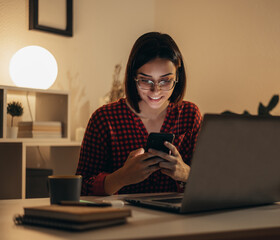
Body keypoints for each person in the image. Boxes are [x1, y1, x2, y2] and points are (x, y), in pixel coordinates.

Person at [76, 32, 202, 195]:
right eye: (145, 80)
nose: (155, 90)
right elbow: (80, 187)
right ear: (133, 77)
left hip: (176, 217)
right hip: (121, 216)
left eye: (165, 80)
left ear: (177, 78)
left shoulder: (189, 114)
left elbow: (211, 180)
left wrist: (186, 173)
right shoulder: (105, 119)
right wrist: (121, 177)